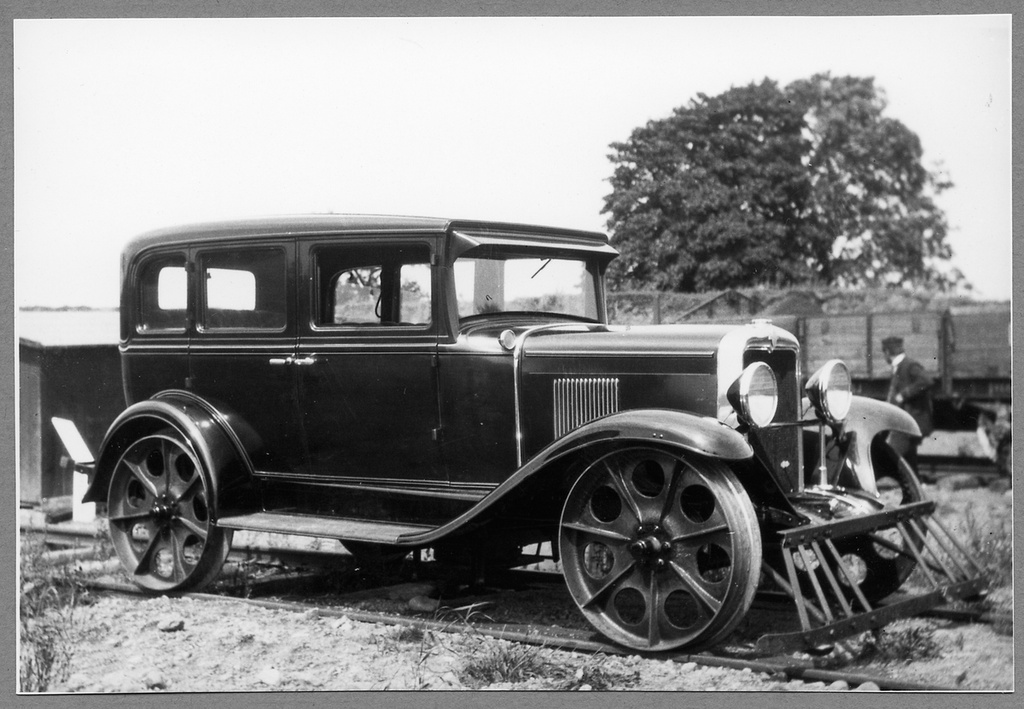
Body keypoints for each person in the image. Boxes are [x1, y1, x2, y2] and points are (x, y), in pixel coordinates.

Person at [881, 336, 935, 481]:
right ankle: (917, 483)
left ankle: (878, 484)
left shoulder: (909, 365)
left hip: (909, 421)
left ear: (888, 352)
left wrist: (904, 395)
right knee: (909, 456)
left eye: (884, 353)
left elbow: (926, 381)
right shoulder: (900, 366)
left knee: (892, 453)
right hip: (906, 420)